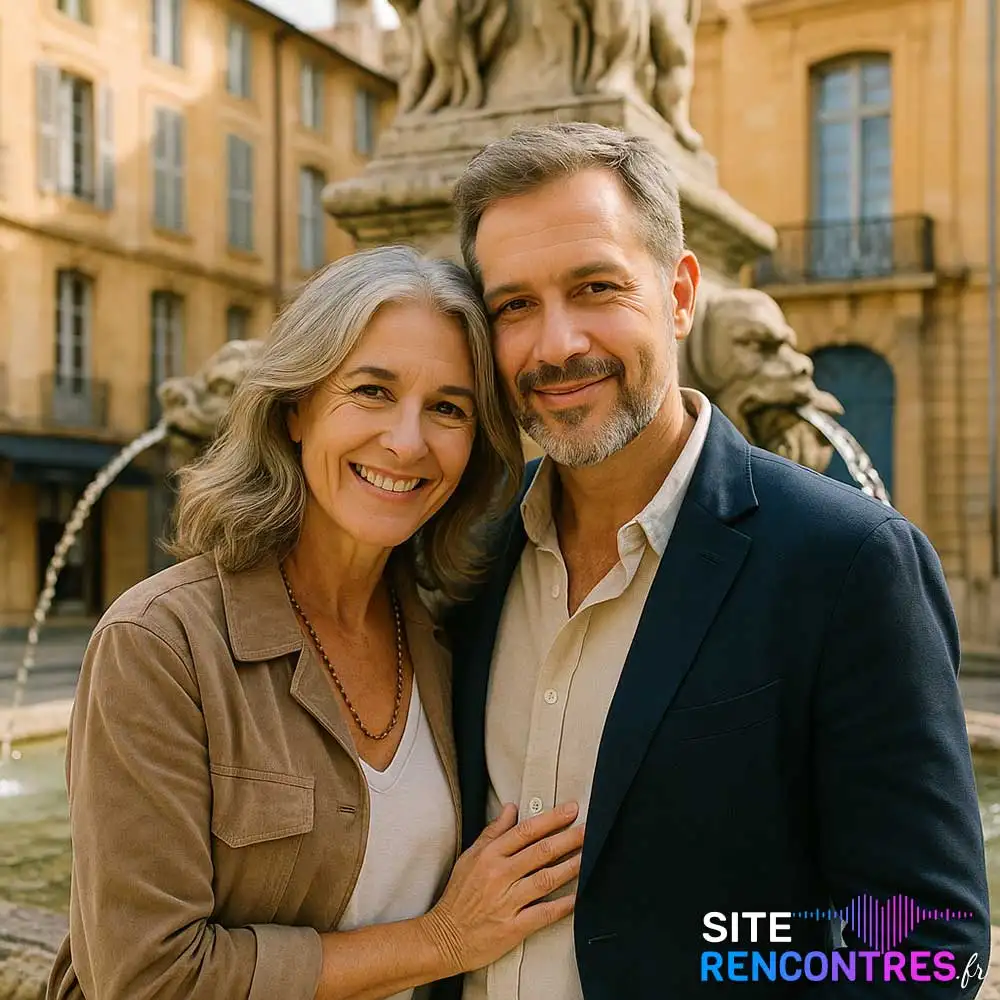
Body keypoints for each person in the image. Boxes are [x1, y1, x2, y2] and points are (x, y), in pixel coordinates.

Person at [438, 122, 991, 998]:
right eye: (514, 306)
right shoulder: (463, 559)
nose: (554, 346)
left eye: (596, 287)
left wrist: (714, 959)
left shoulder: (849, 563)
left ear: (682, 292)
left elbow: (927, 944)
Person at [46, 246, 587, 1000]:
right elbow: (147, 980)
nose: (407, 441)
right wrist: (443, 940)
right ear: (296, 406)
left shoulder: (447, 636)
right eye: (371, 390)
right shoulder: (160, 645)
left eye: (448, 408)